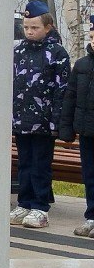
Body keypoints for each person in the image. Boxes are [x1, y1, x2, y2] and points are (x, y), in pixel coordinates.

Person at [10, 0, 69, 229]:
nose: (29, 31)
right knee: (24, 163)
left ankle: (40, 207)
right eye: (26, 27)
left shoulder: (57, 53)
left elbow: (61, 89)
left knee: (40, 164)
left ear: (48, 27)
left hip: (44, 122)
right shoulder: (19, 51)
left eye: (34, 27)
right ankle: (24, 202)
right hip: (21, 119)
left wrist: (57, 121)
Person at [59, 17, 94, 237]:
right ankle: (91, 217)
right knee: (89, 175)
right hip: (87, 131)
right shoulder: (81, 65)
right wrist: (67, 128)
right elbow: (70, 97)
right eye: (92, 37)